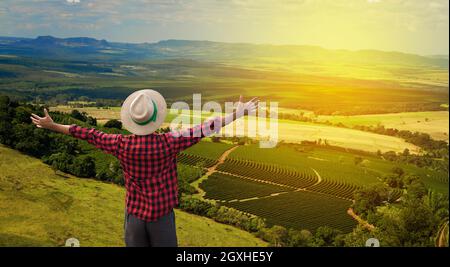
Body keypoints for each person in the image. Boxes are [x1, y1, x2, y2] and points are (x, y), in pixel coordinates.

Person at [30, 89, 258, 247]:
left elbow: (86, 133)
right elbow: (205, 128)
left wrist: (52, 125)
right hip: (162, 218)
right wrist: (238, 112)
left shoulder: (120, 144)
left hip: (134, 217)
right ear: (156, 118)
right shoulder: (169, 142)